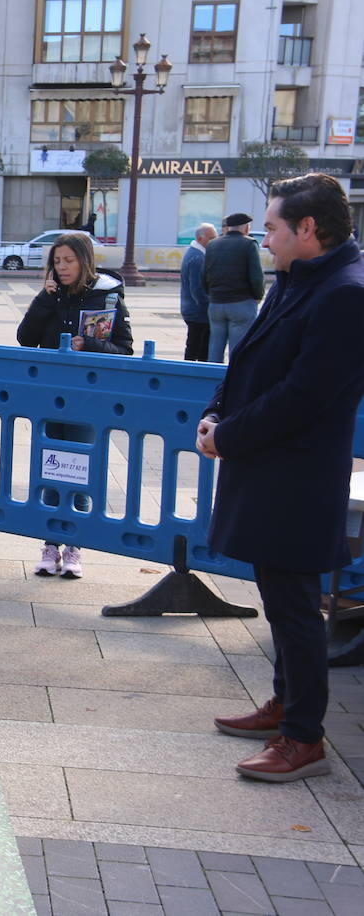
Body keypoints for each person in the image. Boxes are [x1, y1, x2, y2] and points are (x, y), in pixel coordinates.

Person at [200, 174, 364, 782]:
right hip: (269, 467)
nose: (262, 238)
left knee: (296, 609)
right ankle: (285, 704)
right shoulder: (299, 279)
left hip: (297, 478)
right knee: (277, 598)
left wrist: (232, 435)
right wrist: (217, 412)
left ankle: (304, 737)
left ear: (307, 230)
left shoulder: (346, 293)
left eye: (271, 228)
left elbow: (304, 397)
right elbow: (248, 358)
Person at [17, 232, 134, 580]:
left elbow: (125, 350)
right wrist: (43, 300)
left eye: (69, 260)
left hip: (87, 398)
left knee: (78, 471)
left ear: (85, 260)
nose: (62, 267)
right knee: (52, 469)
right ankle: (50, 545)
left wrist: (93, 345)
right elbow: (26, 338)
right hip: (52, 396)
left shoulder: (109, 297)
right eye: (57, 261)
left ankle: (74, 547)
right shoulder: (51, 296)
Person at [203, 212, 265, 362]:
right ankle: (233, 383)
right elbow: (256, 276)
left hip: (216, 304)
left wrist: (212, 295)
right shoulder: (249, 244)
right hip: (241, 303)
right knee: (238, 350)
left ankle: (212, 380)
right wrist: (258, 296)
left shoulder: (212, 244)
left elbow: (204, 276)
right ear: (246, 228)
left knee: (215, 347)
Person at [180, 223, 216, 361]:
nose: (214, 241)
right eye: (212, 238)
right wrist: (209, 308)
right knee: (198, 350)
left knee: (194, 347)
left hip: (193, 311)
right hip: (198, 313)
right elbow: (197, 290)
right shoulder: (198, 257)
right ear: (201, 238)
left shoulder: (195, 254)